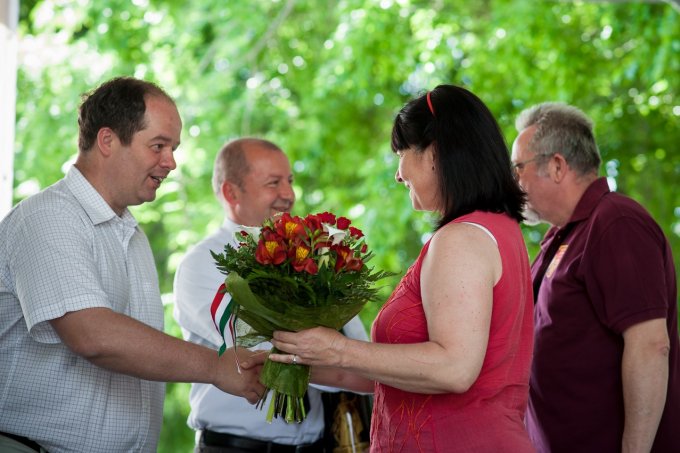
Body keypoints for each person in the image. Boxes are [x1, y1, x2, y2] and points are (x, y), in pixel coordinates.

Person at [0, 77, 265, 453]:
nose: (171, 162)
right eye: (158, 145)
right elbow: (94, 336)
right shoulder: (49, 217)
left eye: (173, 148)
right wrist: (216, 366)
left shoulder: (130, 233)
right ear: (107, 141)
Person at [266, 85, 535, 452]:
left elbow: (454, 368)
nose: (398, 174)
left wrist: (340, 349)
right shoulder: (497, 230)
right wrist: (292, 359)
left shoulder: (461, 239)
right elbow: (396, 372)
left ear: (435, 153)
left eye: (402, 153)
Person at [173, 137, 369, 453]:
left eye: (289, 181)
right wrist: (364, 373)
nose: (288, 194)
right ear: (231, 192)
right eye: (273, 183)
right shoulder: (203, 264)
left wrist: (371, 367)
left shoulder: (315, 258)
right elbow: (261, 350)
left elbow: (358, 348)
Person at [511, 102, 680, 452]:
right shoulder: (563, 237)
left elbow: (650, 346)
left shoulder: (616, 222)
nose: (513, 182)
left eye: (518, 168)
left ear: (557, 165)